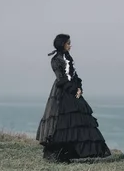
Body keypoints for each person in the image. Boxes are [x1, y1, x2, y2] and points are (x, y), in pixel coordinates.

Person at [36, 34, 111, 162]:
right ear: (62, 44)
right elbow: (61, 79)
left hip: (73, 91)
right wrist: (73, 89)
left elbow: (74, 75)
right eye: (68, 43)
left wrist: (79, 88)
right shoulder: (56, 59)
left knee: (79, 121)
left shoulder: (67, 57)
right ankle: (59, 154)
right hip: (62, 93)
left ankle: (76, 153)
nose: (70, 45)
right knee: (64, 124)